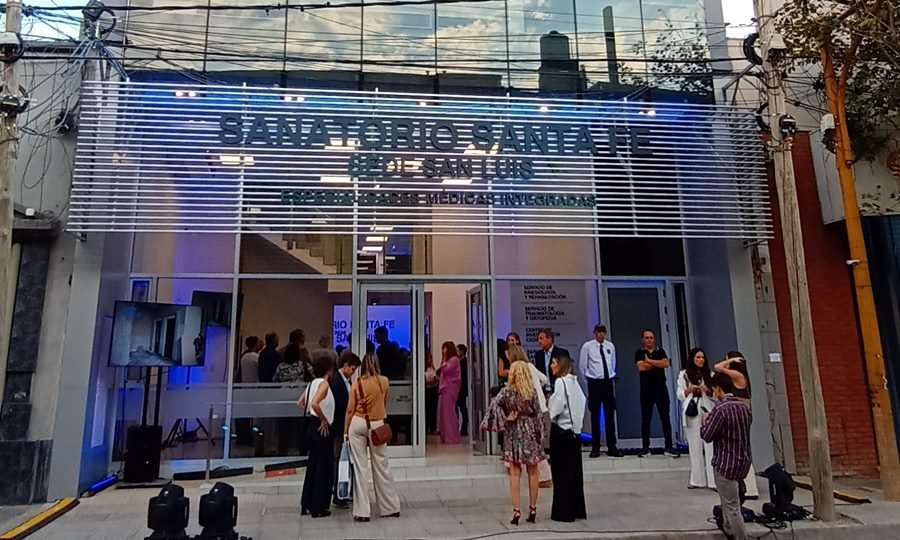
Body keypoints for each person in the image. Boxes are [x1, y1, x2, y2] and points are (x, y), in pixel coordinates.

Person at [481, 361, 545, 526]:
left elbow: (493, 405)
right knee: (533, 471)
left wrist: (505, 418)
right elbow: (538, 415)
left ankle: (516, 510)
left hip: (513, 430)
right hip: (530, 431)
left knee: (515, 472)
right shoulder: (531, 392)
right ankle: (532, 508)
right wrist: (540, 435)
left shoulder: (506, 392)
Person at [344, 354, 401, 522]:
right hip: (377, 425)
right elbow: (384, 403)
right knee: (382, 465)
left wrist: (345, 430)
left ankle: (362, 511)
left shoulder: (357, 383)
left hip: (358, 423)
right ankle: (390, 507)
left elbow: (350, 409)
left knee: (360, 468)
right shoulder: (384, 381)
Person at [701, 372, 753, 540]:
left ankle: (739, 536)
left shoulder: (720, 409)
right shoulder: (744, 408)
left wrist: (705, 420)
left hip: (725, 463)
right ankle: (728, 529)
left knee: (732, 507)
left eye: (714, 389)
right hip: (742, 461)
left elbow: (707, 435)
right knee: (730, 501)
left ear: (718, 389)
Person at [714, 351, 759, 499]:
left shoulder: (738, 375)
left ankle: (749, 486)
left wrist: (731, 359)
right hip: (742, 412)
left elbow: (717, 367)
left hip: (740, 412)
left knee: (741, 447)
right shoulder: (741, 376)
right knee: (741, 446)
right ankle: (744, 484)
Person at [548, 354, 587, 523]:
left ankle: (563, 511)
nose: (551, 366)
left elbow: (556, 407)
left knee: (561, 473)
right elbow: (581, 401)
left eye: (554, 363)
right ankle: (577, 509)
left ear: (560, 365)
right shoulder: (574, 382)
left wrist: (550, 404)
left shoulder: (560, 382)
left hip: (562, 431)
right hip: (574, 432)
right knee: (574, 474)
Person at [298, 352, 337, 518]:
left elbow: (301, 402)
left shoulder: (311, 383)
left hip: (311, 426)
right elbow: (315, 403)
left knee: (313, 464)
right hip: (322, 427)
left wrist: (313, 414)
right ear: (329, 370)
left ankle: (306, 503)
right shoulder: (324, 384)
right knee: (324, 466)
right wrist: (323, 418)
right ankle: (319, 506)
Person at [635, 330, 679, 457]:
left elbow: (666, 363)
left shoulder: (661, 351)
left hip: (661, 389)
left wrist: (649, 361)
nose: (650, 340)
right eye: (647, 338)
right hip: (646, 390)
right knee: (646, 418)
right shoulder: (639, 353)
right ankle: (645, 447)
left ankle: (669, 446)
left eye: (651, 337)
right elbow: (641, 367)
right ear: (643, 339)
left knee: (665, 417)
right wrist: (657, 363)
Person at [579, 324, 621, 458]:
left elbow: (612, 363)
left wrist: (610, 375)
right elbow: (582, 365)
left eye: (603, 332)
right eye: (599, 332)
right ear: (594, 333)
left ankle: (612, 446)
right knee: (595, 416)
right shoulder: (588, 346)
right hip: (594, 382)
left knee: (610, 415)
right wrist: (588, 379)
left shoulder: (610, 346)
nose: (601, 334)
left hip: (607, 382)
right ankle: (595, 447)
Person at [677, 348, 716, 489]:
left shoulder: (710, 375)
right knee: (694, 446)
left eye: (702, 357)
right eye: (698, 357)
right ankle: (697, 480)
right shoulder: (684, 374)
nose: (701, 360)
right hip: (692, 410)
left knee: (710, 446)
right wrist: (689, 390)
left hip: (707, 410)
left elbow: (716, 395)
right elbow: (679, 394)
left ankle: (713, 480)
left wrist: (707, 390)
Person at [437, 341, 462, 445]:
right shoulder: (450, 360)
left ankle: (451, 437)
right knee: (444, 414)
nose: (443, 350)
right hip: (445, 389)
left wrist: (443, 359)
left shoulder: (454, 360)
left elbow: (446, 369)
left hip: (449, 389)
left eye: (445, 348)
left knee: (449, 414)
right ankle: (445, 436)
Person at [424, 350, 439, 435]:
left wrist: (435, 380)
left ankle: (433, 428)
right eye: (428, 358)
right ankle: (426, 428)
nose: (429, 360)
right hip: (426, 391)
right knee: (427, 410)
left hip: (433, 390)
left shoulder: (433, 369)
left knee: (433, 410)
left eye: (430, 358)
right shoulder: (422, 369)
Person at [456, 344, 470, 436]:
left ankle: (464, 428)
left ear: (462, 351)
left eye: (457, 350)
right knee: (458, 408)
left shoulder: (464, 362)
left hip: (461, 390)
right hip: (458, 389)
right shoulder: (459, 362)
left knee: (462, 408)